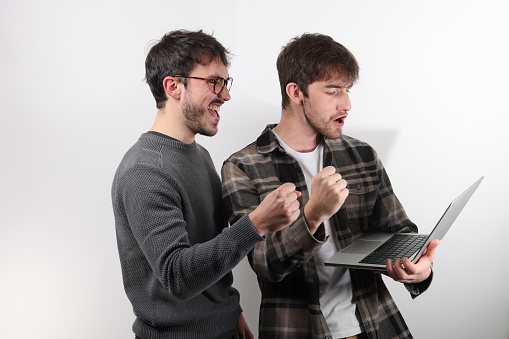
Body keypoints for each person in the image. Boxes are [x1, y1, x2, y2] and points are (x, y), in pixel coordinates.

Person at [221, 33, 440, 339]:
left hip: (377, 324)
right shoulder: (243, 166)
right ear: (296, 92)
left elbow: (399, 231)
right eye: (333, 91)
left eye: (347, 91)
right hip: (297, 329)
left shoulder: (361, 155)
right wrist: (312, 216)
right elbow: (263, 264)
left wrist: (419, 269)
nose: (346, 104)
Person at [111, 30, 301, 339]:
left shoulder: (199, 155)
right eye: (214, 82)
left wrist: (231, 310)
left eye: (225, 83)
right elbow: (179, 276)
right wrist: (257, 224)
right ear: (173, 86)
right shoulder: (145, 171)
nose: (225, 95)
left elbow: (209, 249)